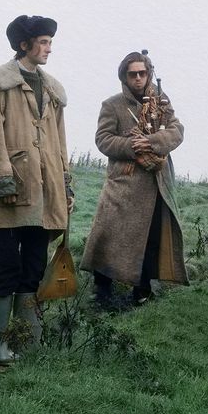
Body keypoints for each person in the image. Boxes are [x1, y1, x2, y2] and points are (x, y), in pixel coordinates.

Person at [0, 15, 73, 364]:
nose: (49, 48)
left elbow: (60, 142)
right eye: (43, 42)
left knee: (34, 265)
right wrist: (3, 179)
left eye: (49, 42)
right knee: (6, 264)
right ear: (24, 45)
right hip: (12, 189)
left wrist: (65, 184)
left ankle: (26, 341)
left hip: (45, 192)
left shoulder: (53, 89)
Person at [80, 51, 188, 309]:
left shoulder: (161, 101)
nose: (138, 78)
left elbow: (177, 131)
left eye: (142, 73)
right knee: (108, 234)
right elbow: (103, 139)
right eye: (133, 74)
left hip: (155, 182)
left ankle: (142, 290)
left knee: (151, 236)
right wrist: (132, 146)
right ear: (124, 77)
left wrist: (151, 141)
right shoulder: (112, 105)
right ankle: (102, 289)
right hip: (123, 183)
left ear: (148, 74)